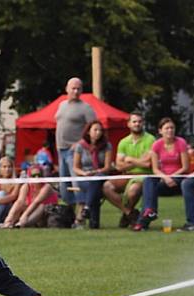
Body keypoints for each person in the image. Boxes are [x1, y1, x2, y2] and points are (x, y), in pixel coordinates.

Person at [134, 117, 189, 231]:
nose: (170, 130)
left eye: (172, 128)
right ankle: (150, 212)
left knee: (148, 190)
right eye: (167, 128)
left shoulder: (181, 143)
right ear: (160, 131)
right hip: (164, 179)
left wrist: (171, 176)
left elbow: (185, 167)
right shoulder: (157, 145)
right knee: (148, 182)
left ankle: (141, 222)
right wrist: (165, 177)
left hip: (179, 179)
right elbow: (155, 169)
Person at [102, 112, 154, 228]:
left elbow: (147, 164)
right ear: (129, 124)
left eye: (140, 121)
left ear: (143, 123)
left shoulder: (150, 139)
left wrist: (129, 159)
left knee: (133, 191)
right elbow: (119, 166)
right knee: (106, 187)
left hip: (143, 175)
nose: (137, 124)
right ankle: (129, 213)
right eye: (134, 122)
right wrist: (138, 162)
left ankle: (128, 215)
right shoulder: (123, 142)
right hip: (126, 175)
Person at [55, 77, 96, 207]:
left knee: (76, 183)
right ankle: (68, 213)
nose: (76, 91)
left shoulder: (86, 108)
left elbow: (94, 129)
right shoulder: (62, 105)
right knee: (64, 184)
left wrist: (80, 143)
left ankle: (81, 214)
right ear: (67, 89)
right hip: (61, 150)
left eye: (78, 88)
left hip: (75, 151)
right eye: (73, 88)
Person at [72, 120, 113, 229]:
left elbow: (107, 167)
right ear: (88, 132)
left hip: (100, 175)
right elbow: (76, 168)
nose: (98, 132)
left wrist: (95, 172)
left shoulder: (107, 145)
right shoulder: (80, 146)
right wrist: (84, 173)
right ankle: (90, 216)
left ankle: (86, 208)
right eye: (95, 130)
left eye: (100, 130)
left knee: (96, 181)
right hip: (84, 177)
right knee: (94, 188)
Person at [0, 164, 58, 228]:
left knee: (42, 206)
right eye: (34, 176)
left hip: (46, 215)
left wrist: (25, 215)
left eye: (39, 175)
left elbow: (36, 202)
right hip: (32, 212)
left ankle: (22, 224)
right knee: (19, 204)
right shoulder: (26, 186)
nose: (37, 178)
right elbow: (19, 201)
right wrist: (10, 217)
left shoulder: (47, 187)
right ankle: (8, 222)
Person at [0, 157, 21, 225]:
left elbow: (13, 196)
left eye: (9, 167)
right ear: (0, 168)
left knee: (2, 193)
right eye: (4, 167)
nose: (7, 169)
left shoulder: (17, 182)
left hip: (9, 208)